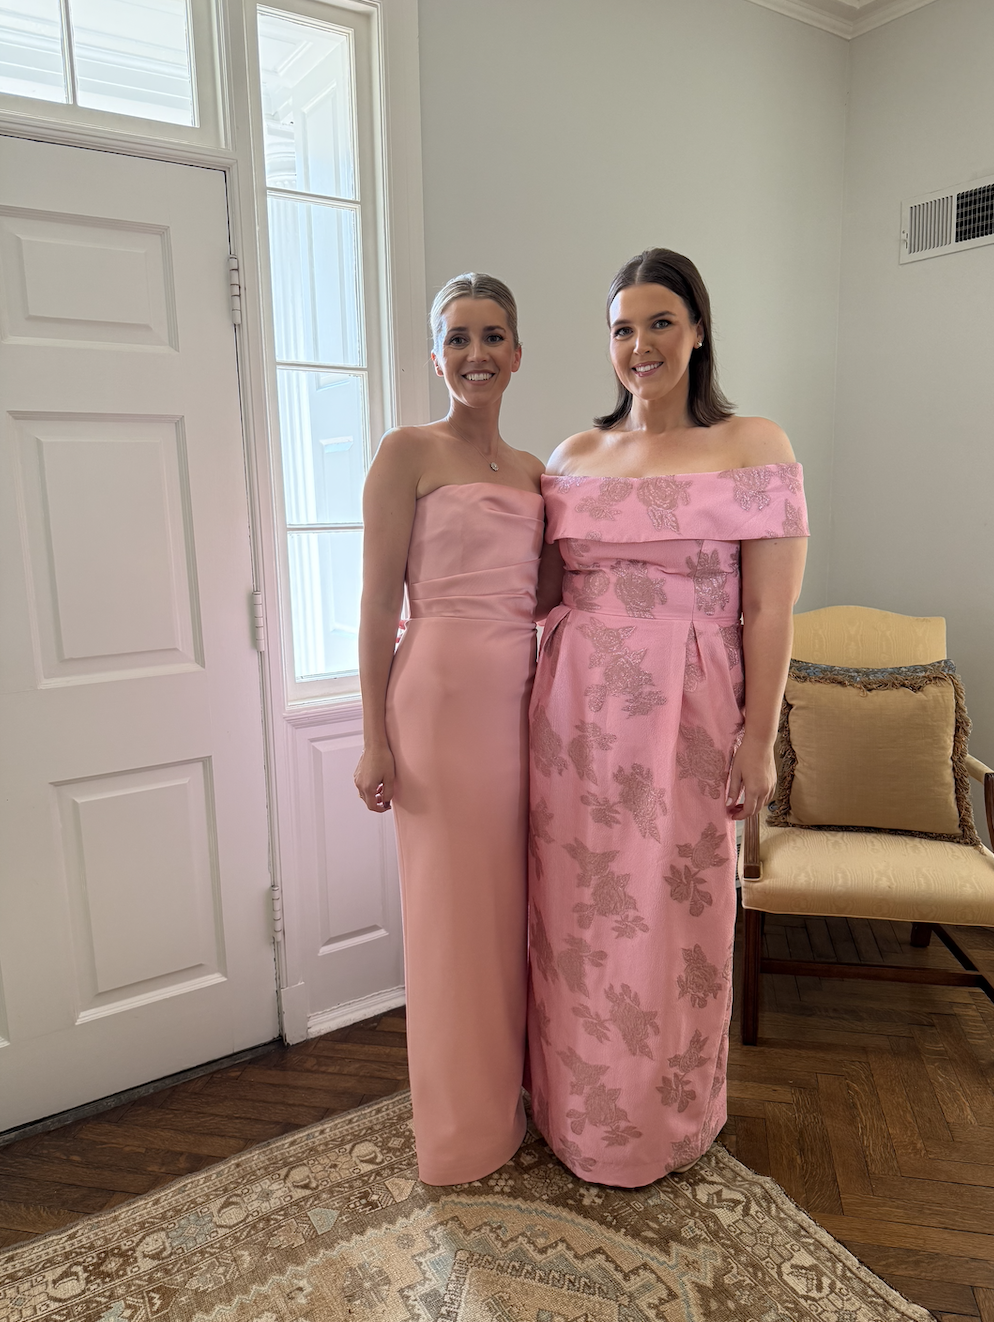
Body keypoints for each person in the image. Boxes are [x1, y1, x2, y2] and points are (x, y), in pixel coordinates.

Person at [527, 249, 808, 1186]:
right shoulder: (573, 456)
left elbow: (768, 611)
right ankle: (575, 1112)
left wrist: (759, 739)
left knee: (675, 913)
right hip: (574, 713)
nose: (639, 344)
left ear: (697, 330)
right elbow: (537, 589)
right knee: (573, 912)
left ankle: (664, 1121)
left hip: (692, 709)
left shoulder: (754, 444)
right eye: (621, 328)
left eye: (658, 322)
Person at [354, 273, 548, 1185]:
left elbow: (554, 595)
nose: (477, 354)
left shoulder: (541, 473)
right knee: (449, 917)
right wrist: (371, 736)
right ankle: (459, 1135)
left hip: (523, 701)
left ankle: (512, 1103)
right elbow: (373, 606)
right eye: (459, 337)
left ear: (518, 352)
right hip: (433, 698)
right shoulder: (407, 452)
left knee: (513, 907)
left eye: (494, 336)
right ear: (436, 354)